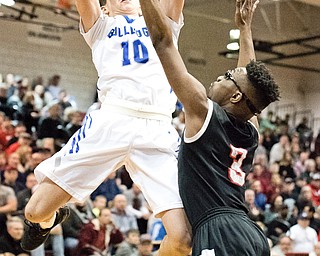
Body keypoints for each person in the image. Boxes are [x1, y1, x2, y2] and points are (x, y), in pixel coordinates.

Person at [21, 0, 191, 254]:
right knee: (34, 212)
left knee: (182, 238)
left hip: (157, 129)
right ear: (105, 7)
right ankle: (48, 220)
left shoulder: (163, 22)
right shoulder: (101, 25)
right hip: (110, 122)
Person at [140, 0, 280, 255]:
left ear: (236, 97)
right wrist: (245, 28)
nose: (220, 76)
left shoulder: (204, 112)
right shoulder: (252, 130)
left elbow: (163, 41)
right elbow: (247, 77)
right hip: (251, 234)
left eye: (227, 77)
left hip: (219, 231)